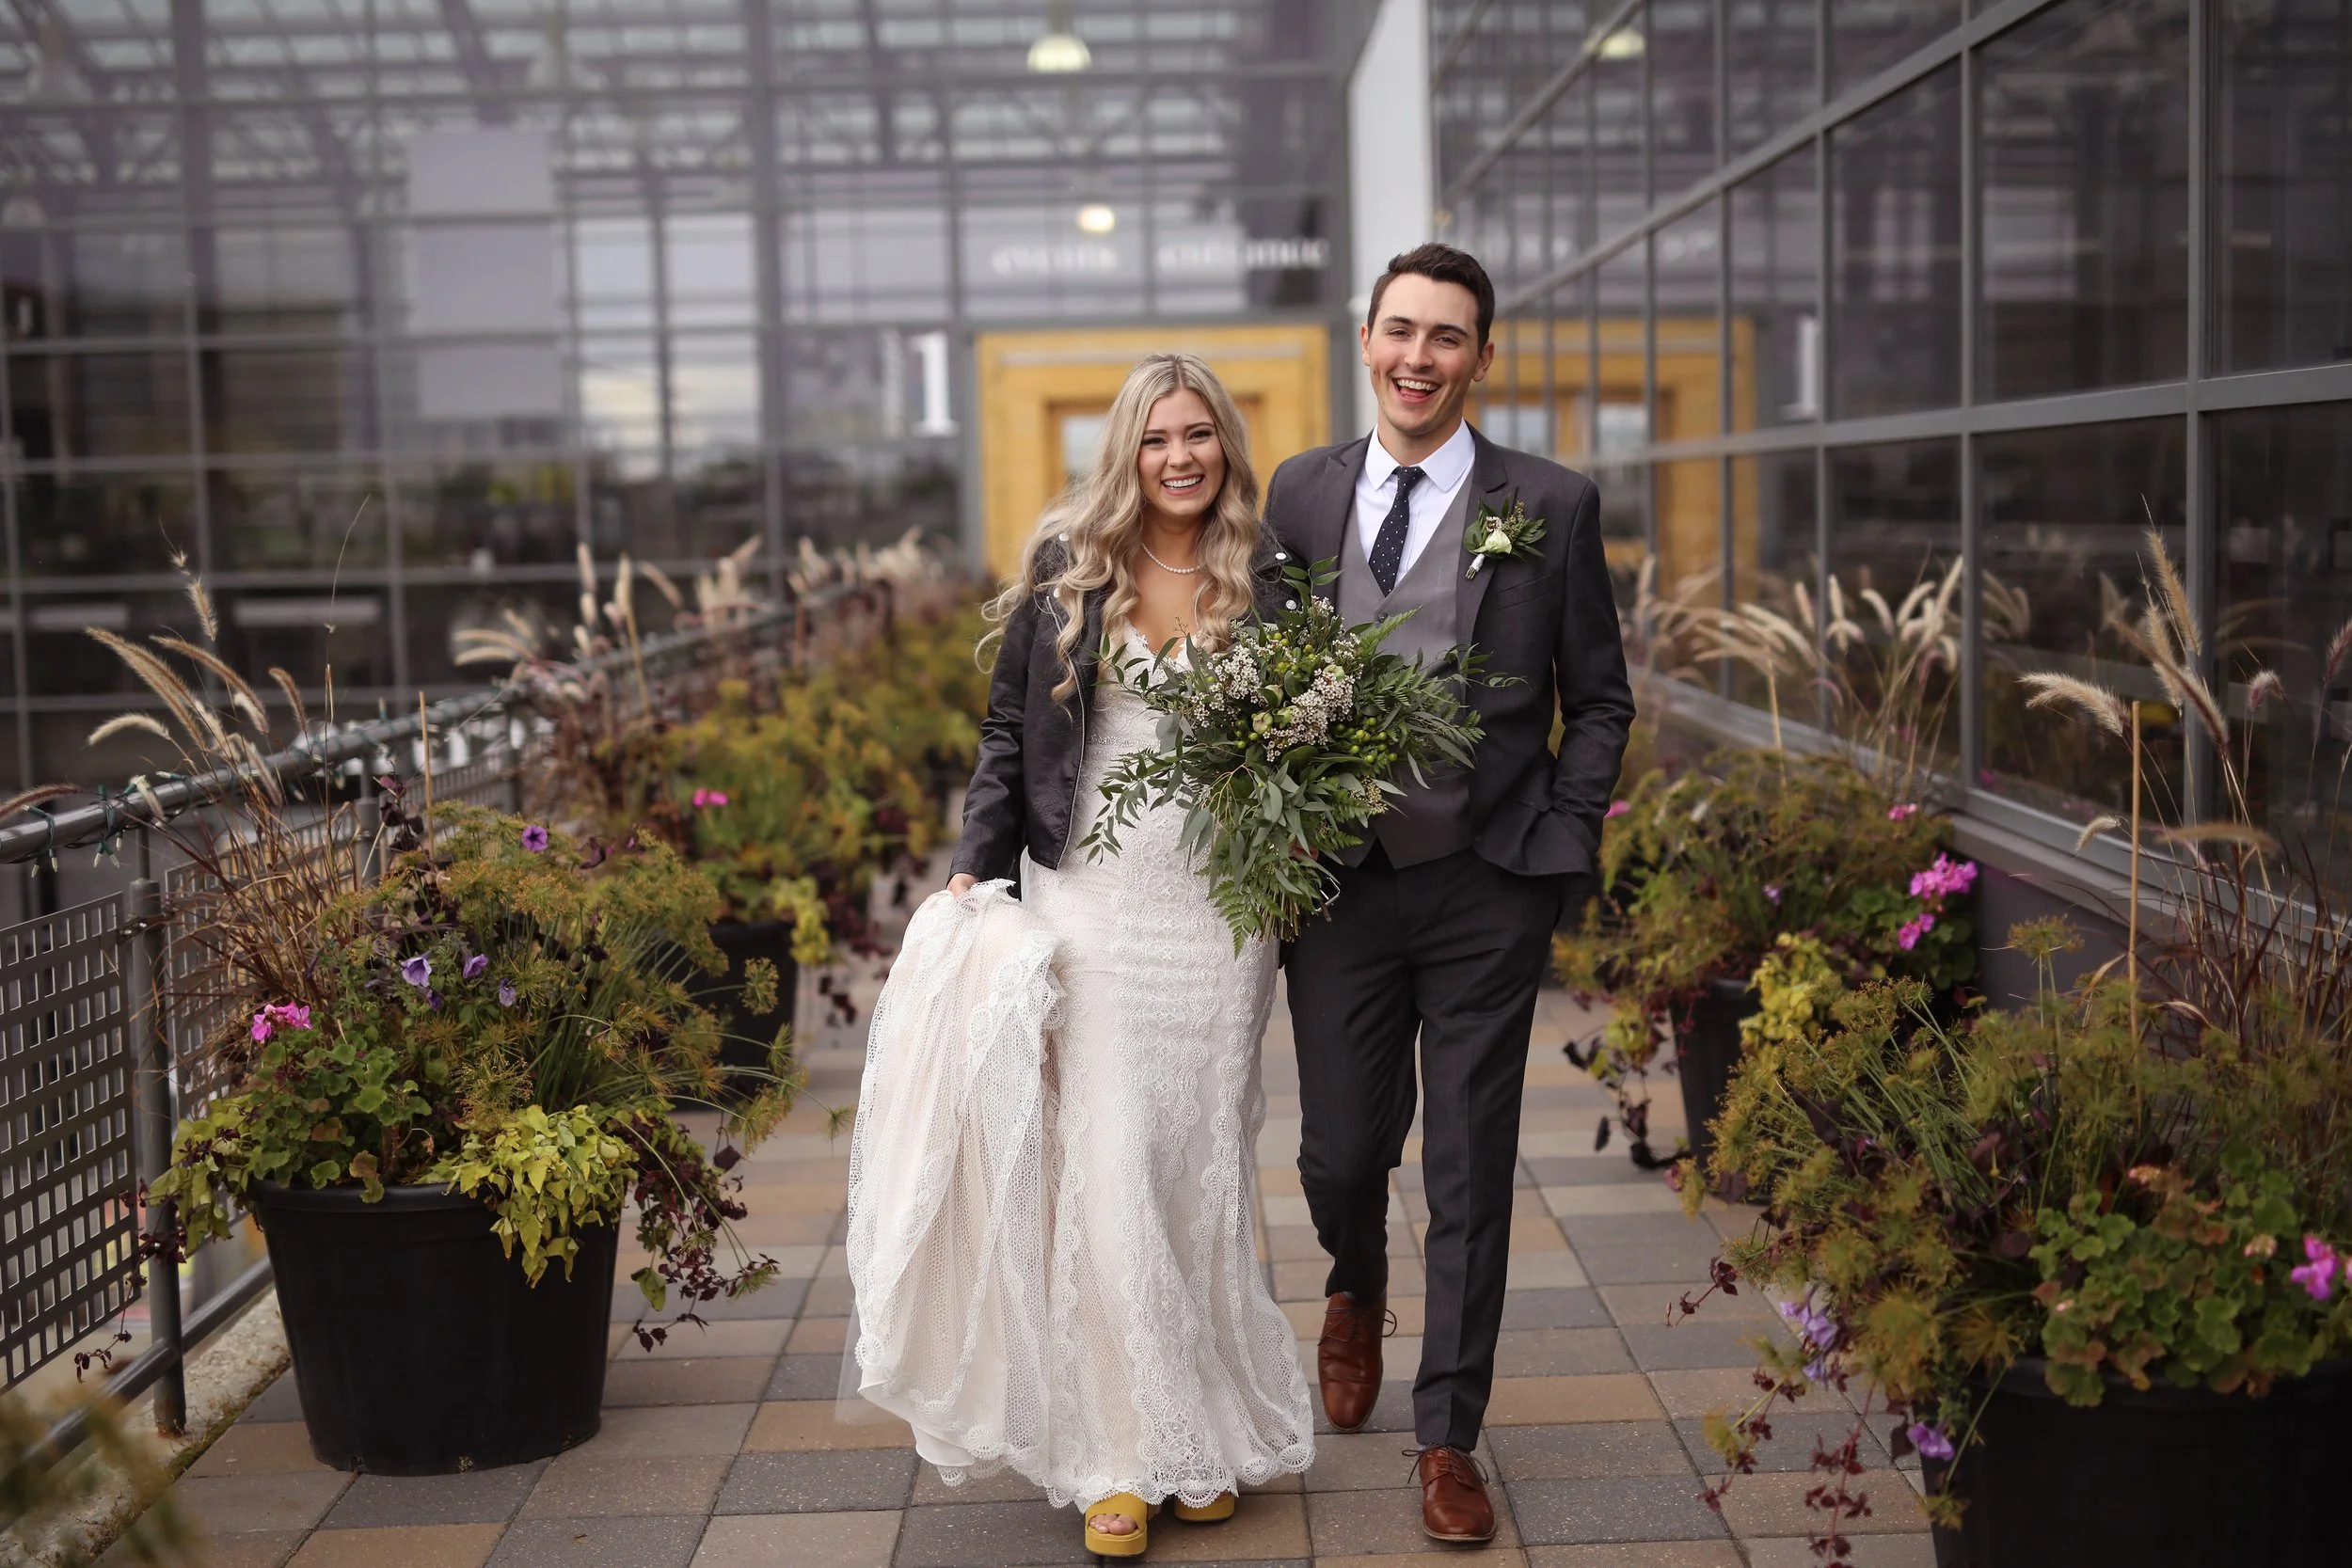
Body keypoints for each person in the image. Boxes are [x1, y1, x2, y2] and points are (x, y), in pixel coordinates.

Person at [849, 352, 1313, 1559]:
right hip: (1092, 896)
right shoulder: (1070, 560)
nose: (1178, 456)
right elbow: (1011, 723)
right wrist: (977, 852)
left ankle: (1199, 1422)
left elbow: (1310, 738)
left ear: (1225, 444)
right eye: (1157, 436)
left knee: (1194, 1158)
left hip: (1222, 909)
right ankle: (1118, 1451)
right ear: (1127, 447)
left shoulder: (1268, 574)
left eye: (1198, 433)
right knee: (1106, 1157)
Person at [1263, 243, 1634, 1544]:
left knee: (1471, 1167)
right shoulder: (1300, 494)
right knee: (1340, 1148)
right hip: (1339, 886)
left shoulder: (1555, 500)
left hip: (1487, 884)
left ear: (1481, 357)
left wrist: (1561, 828)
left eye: (1448, 337)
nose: (1419, 357)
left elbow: (1599, 694)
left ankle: (1446, 1434)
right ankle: (1353, 1276)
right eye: (1400, 330)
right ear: (1366, 340)